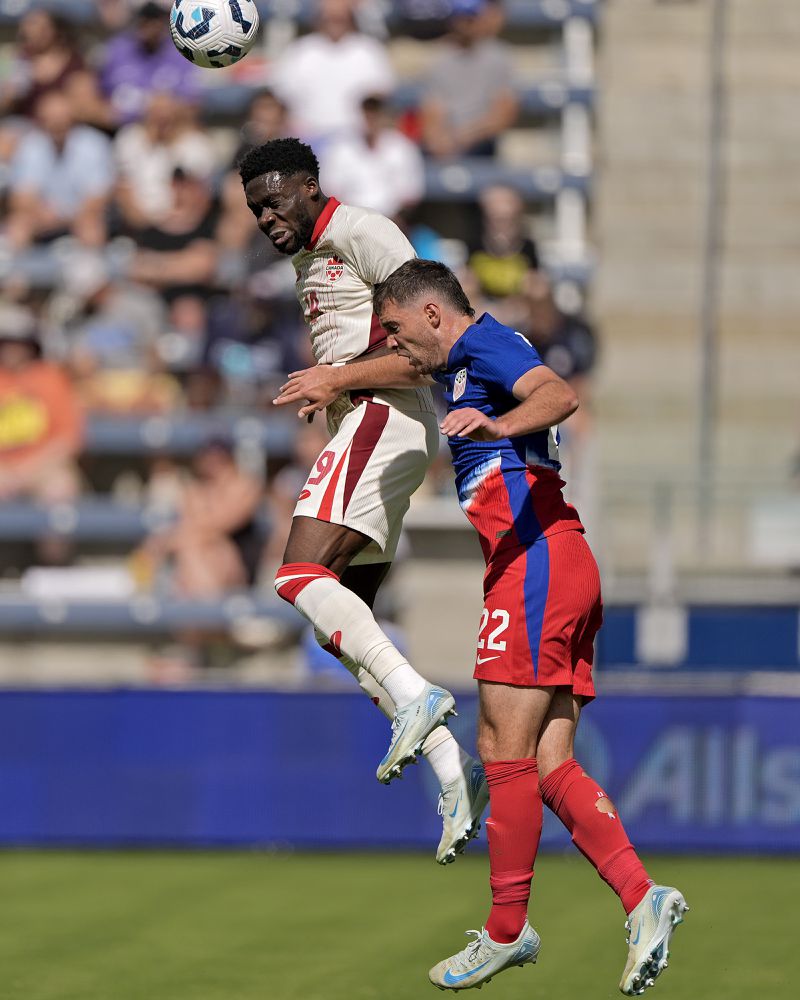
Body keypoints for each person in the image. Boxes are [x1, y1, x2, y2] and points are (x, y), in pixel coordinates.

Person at [290, 259, 689, 994]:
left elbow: (559, 392)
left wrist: (497, 423)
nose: (398, 349)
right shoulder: (455, 365)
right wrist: (335, 380)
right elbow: (411, 374)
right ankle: (644, 898)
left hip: (533, 563)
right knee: (547, 764)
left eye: (401, 333)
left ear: (436, 317)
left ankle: (507, 930)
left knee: (498, 748)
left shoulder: (488, 348)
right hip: (561, 558)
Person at [240, 137, 488, 863]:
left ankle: (416, 695)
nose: (266, 217)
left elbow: (435, 344)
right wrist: (336, 383)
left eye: (275, 200)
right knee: (335, 620)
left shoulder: (364, 232)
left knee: (296, 575)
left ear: (310, 186)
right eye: (256, 209)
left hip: (386, 413)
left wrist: (335, 379)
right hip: (371, 422)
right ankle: (453, 767)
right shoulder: (310, 258)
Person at [270, 0, 395, 147]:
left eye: (340, 18)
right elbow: (279, 94)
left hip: (354, 140)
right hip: (307, 138)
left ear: (351, 18)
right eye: (329, 18)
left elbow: (382, 92)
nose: (334, 23)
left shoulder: (369, 50)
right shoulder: (300, 51)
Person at [5, 90, 114, 249]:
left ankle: (92, 272)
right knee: (17, 227)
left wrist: (69, 217)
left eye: (62, 118)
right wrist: (42, 213)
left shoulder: (94, 144)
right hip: (41, 216)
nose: (57, 123)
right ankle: (16, 273)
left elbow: (98, 196)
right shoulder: (29, 145)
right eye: (52, 119)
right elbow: (21, 196)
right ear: (42, 120)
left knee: (92, 230)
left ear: (72, 118)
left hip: (82, 216)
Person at [419, 0, 518, 159]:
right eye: (461, 17)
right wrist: (439, 140)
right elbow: (432, 110)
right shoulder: (439, 59)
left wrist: (462, 136)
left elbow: (503, 114)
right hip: (447, 143)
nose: (465, 23)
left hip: (481, 144)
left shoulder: (498, 57)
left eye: (471, 17)